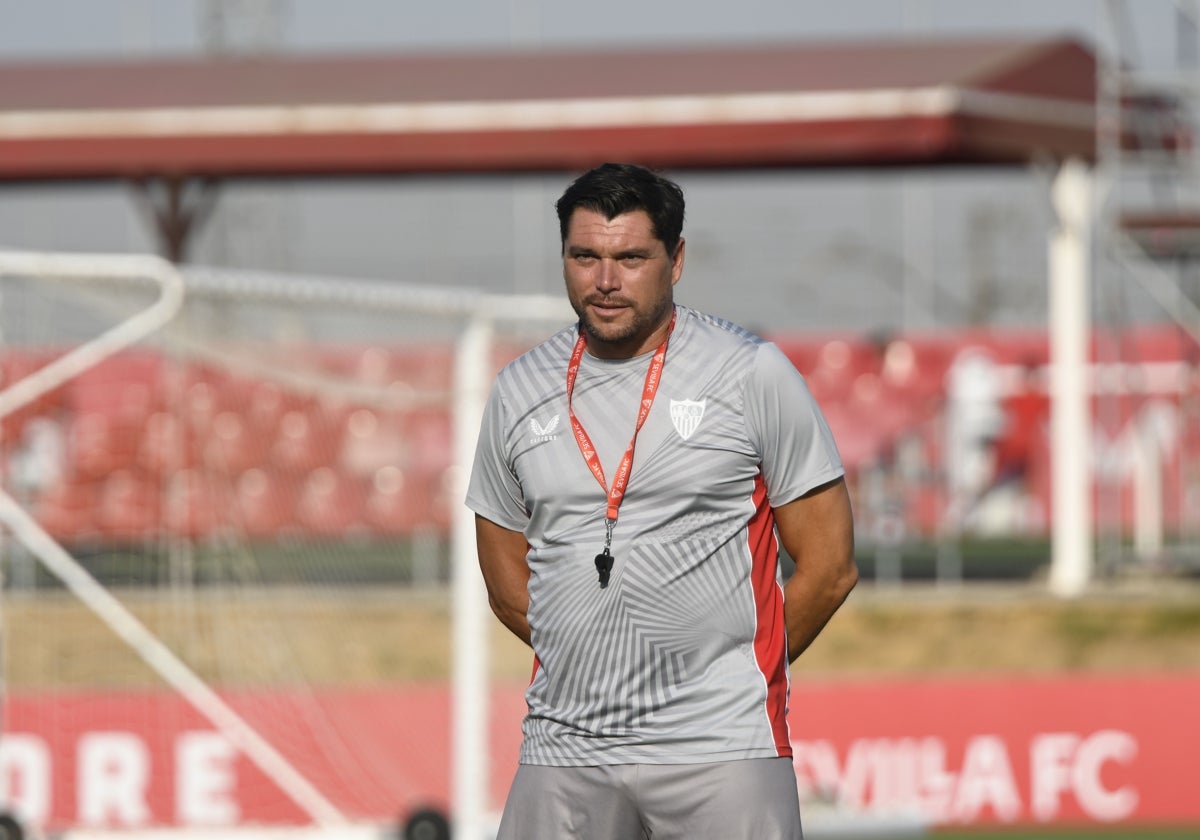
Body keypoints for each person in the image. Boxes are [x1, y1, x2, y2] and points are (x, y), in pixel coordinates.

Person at [466, 162, 857, 839]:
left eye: (630, 257)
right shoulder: (516, 389)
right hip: (565, 746)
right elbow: (505, 579)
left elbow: (829, 563)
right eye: (584, 256)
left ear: (675, 261)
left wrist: (726, 673)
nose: (606, 280)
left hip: (720, 747)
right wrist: (603, 665)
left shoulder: (749, 373)